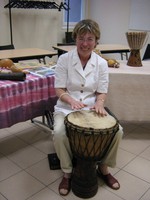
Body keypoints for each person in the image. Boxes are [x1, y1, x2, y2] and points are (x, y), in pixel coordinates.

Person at [53, 19, 123, 196]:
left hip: (91, 107)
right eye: (81, 38)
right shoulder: (64, 59)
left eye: (90, 39)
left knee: (118, 131)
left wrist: (99, 103)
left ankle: (104, 168)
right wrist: (70, 101)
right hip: (66, 107)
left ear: (96, 40)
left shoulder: (101, 63)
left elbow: (102, 91)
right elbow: (58, 88)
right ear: (75, 38)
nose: (85, 43)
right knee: (59, 132)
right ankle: (67, 172)